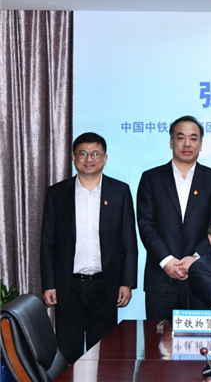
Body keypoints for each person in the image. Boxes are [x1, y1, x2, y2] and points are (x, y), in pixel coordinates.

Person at [40, 132, 138, 363]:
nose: (89, 159)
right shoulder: (57, 193)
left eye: (95, 154)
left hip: (105, 285)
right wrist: (49, 284)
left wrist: (126, 282)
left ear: (105, 158)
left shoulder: (120, 191)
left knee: (104, 354)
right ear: (73, 158)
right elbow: (47, 243)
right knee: (67, 353)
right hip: (68, 286)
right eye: (83, 154)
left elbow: (129, 241)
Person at [137, 115, 211, 320]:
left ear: (200, 144)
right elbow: (145, 224)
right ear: (171, 142)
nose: (187, 144)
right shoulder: (151, 178)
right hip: (160, 278)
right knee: (158, 338)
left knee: (201, 338)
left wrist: (195, 258)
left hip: (203, 277)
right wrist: (167, 260)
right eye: (181, 137)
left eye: (193, 138)